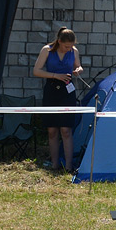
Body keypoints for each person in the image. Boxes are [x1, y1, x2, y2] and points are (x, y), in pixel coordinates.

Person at [32, 27, 82, 172]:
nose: (69, 49)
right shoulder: (46, 50)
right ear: (59, 41)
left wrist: (78, 70)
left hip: (67, 91)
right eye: (66, 46)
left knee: (66, 130)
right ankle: (54, 165)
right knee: (52, 130)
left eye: (71, 46)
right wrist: (55, 75)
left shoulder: (74, 51)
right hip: (52, 91)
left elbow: (78, 66)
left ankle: (68, 166)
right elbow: (37, 71)